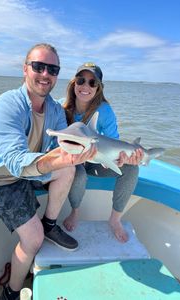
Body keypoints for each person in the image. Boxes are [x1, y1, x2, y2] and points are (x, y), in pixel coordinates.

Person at [0, 45, 96, 300]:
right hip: (0, 179)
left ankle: (50, 224)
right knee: (33, 240)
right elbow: (15, 161)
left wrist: (98, 152)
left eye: (52, 69)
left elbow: (62, 146)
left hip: (29, 172)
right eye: (38, 66)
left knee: (69, 168)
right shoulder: (6, 106)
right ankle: (11, 292)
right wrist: (58, 159)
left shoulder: (53, 109)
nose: (45, 74)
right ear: (25, 69)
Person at [62, 62, 143, 243]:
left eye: (92, 83)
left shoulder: (105, 111)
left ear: (98, 88)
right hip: (72, 161)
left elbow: (113, 142)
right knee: (78, 174)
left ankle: (115, 219)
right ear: (74, 82)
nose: (85, 86)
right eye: (81, 80)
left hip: (96, 160)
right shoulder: (61, 107)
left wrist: (118, 160)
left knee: (131, 169)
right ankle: (75, 211)